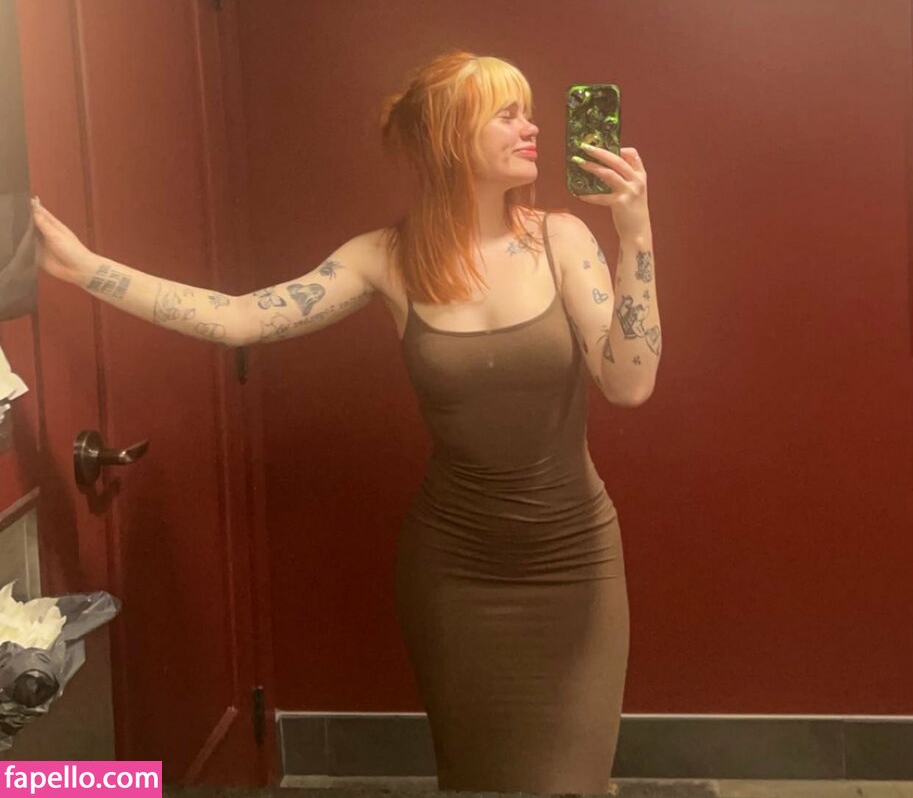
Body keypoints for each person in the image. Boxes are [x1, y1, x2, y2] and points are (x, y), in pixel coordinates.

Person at [31, 49, 661, 793]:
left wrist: (636, 236)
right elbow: (239, 319)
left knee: (572, 783)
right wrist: (85, 268)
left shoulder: (562, 239)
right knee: (477, 779)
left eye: (528, 112)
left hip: (575, 560)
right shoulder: (384, 259)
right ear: (448, 136)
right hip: (455, 570)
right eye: (507, 114)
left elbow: (629, 382)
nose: (532, 129)